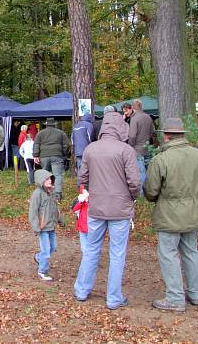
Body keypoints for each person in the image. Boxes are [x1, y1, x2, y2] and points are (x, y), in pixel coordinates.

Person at [74, 112, 141, 309]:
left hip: (96, 208)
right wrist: (132, 197)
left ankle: (81, 290)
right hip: (120, 209)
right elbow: (135, 182)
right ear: (121, 127)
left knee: (91, 249)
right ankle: (113, 298)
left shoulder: (90, 149)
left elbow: (82, 179)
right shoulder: (126, 150)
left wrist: (90, 192)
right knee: (117, 253)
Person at [145, 118, 198, 312]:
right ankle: (194, 293)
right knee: (191, 251)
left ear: (166, 135)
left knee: (169, 253)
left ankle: (175, 298)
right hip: (193, 211)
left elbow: (151, 190)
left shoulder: (161, 159)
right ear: (182, 134)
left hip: (169, 214)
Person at [28, 169, 60, 281]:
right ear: (41, 181)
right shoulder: (37, 194)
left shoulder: (52, 192)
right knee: (46, 251)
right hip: (42, 228)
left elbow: (55, 208)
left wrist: (60, 219)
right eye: (46, 179)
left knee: (53, 247)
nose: (50, 180)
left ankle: (38, 257)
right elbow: (32, 212)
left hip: (51, 226)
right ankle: (42, 271)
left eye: (50, 178)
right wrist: (36, 227)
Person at [33, 118, 70, 201]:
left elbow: (36, 144)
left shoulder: (40, 133)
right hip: (57, 155)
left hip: (44, 156)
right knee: (58, 175)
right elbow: (66, 144)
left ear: (46, 124)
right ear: (54, 124)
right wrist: (63, 153)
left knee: (44, 175)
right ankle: (58, 195)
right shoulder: (61, 133)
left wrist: (36, 155)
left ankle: (43, 193)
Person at [128, 99, 155, 188]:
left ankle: (142, 197)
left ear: (132, 107)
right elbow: (152, 132)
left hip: (137, 150)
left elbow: (132, 136)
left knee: (141, 174)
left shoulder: (134, 118)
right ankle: (150, 192)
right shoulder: (148, 117)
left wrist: (130, 146)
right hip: (147, 149)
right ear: (141, 106)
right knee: (149, 173)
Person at [72, 112, 93, 177]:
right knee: (88, 167)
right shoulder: (89, 124)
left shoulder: (76, 125)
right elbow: (90, 137)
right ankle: (87, 183)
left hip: (78, 150)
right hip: (86, 150)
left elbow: (72, 139)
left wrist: (75, 148)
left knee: (80, 167)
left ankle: (80, 184)